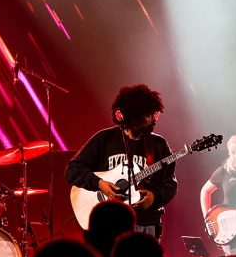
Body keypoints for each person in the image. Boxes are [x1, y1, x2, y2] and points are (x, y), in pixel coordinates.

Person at [66, 84, 178, 241]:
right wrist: (100, 184)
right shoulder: (104, 139)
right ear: (134, 116)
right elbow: (72, 170)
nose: (153, 120)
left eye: (155, 114)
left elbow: (169, 185)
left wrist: (154, 197)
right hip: (107, 224)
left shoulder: (159, 145)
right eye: (148, 115)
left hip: (145, 224)